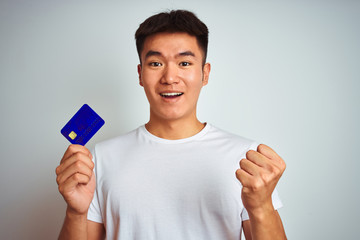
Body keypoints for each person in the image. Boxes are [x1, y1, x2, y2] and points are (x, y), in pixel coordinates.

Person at [56, 10, 287, 240]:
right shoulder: (100, 159)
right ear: (140, 74)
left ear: (205, 74)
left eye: (184, 63)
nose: (169, 77)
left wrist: (261, 207)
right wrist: (75, 213)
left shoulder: (247, 161)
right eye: (156, 63)